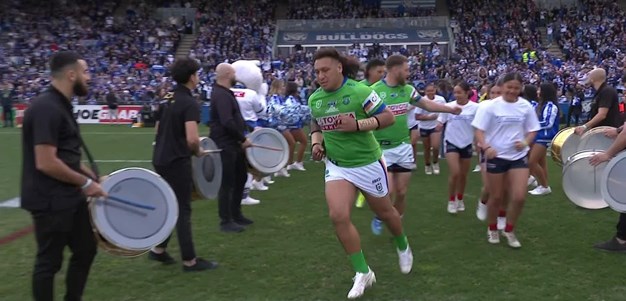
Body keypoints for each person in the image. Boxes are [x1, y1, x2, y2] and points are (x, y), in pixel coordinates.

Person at [308, 48, 413, 299]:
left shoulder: (360, 91)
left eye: (325, 70)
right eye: (317, 72)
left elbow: (387, 118)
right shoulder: (315, 99)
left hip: (367, 163)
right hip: (337, 166)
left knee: (385, 212)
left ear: (339, 68)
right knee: (338, 215)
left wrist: (356, 125)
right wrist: (315, 143)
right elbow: (316, 122)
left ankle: (402, 244)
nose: (320, 76)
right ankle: (362, 272)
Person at [21, 51, 106, 301]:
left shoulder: (61, 105)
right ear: (71, 75)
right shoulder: (46, 107)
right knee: (49, 263)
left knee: (86, 249)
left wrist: (95, 179)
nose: (89, 78)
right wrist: (87, 183)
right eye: (85, 72)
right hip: (49, 199)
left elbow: (68, 157)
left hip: (68, 196)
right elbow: (46, 162)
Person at [370, 54, 461, 235]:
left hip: (403, 147)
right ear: (395, 70)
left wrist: (450, 109)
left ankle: (396, 221)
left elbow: (427, 104)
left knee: (402, 192)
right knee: (386, 192)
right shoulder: (374, 91)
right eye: (406, 69)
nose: (408, 73)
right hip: (381, 149)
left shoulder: (408, 90)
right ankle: (380, 216)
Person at [150, 57, 219, 271]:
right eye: (197, 74)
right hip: (176, 160)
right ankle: (190, 261)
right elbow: (191, 139)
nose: (198, 77)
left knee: (170, 204)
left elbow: (157, 130)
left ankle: (158, 250)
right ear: (192, 77)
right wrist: (199, 151)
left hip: (160, 158)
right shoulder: (189, 102)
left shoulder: (167, 97)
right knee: (182, 209)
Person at [472, 72, 540, 249]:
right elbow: (479, 130)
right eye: (509, 87)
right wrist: (486, 147)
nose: (512, 91)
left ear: (521, 89)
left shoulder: (525, 106)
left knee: (519, 197)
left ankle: (509, 230)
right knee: (496, 196)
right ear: (502, 87)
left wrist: (525, 142)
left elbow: (533, 130)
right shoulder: (490, 106)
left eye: (516, 88)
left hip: (518, 157)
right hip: (497, 156)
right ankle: (492, 228)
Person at [209, 63, 254, 233]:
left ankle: (236, 214)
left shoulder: (225, 93)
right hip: (225, 144)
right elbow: (226, 121)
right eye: (234, 73)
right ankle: (225, 220)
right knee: (227, 183)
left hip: (233, 143)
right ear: (228, 74)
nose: (236, 77)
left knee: (240, 178)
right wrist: (242, 139)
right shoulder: (221, 95)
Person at [437, 81, 478, 214]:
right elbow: (440, 120)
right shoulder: (448, 106)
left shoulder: (475, 108)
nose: (457, 95)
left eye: (459, 92)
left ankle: (460, 199)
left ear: (467, 93)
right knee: (455, 172)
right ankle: (451, 200)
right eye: (455, 92)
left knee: (463, 175)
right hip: (451, 142)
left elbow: (479, 126)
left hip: (466, 143)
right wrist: (438, 125)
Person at [476, 81, 505, 225]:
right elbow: (478, 129)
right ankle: (482, 202)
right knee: (489, 186)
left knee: (505, 188)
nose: (495, 96)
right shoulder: (484, 107)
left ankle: (501, 215)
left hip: (507, 153)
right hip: (488, 151)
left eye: (499, 93)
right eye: (493, 93)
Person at [527, 83, 559, 196]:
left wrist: (531, 125)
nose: (537, 91)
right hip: (539, 136)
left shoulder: (550, 106)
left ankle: (544, 186)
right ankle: (542, 184)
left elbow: (547, 123)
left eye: (540, 89)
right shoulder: (541, 105)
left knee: (531, 161)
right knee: (541, 162)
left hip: (545, 137)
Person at [574, 68, 622, 136]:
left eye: (588, 76)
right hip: (601, 131)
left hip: (607, 132)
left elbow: (602, 115)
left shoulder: (606, 91)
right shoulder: (601, 91)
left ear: (592, 79)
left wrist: (584, 126)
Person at [415, 83, 446, 175]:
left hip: (435, 126)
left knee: (436, 146)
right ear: (425, 91)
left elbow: (444, 111)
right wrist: (429, 117)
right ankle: (427, 164)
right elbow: (417, 116)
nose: (430, 92)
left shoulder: (441, 100)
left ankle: (435, 162)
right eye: (428, 91)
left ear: (435, 90)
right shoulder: (422, 100)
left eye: (432, 90)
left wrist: (440, 122)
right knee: (426, 148)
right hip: (424, 127)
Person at [284, 81, 308, 172]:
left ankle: (290, 163)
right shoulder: (291, 99)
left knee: (292, 144)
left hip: (292, 125)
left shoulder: (290, 98)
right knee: (304, 141)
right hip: (293, 125)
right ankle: (298, 162)